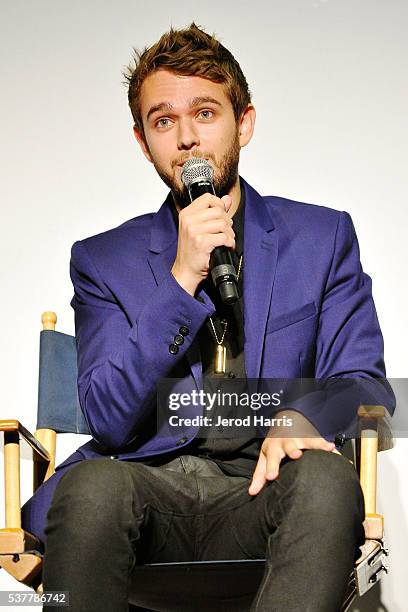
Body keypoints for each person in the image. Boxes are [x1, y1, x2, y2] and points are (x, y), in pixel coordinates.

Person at [21, 23, 395, 612]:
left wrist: (305, 414)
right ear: (145, 143)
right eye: (164, 121)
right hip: (146, 490)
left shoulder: (321, 238)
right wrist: (180, 279)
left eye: (205, 113)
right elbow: (111, 421)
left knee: (327, 480)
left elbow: (364, 381)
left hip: (267, 490)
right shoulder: (100, 260)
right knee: (91, 489)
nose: (187, 139)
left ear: (243, 122)